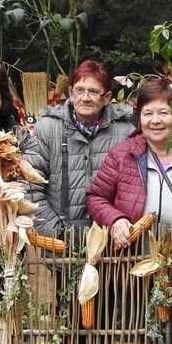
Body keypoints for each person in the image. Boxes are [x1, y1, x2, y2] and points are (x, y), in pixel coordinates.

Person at [87, 77, 172, 249]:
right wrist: (115, 219)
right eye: (148, 113)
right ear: (139, 118)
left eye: (163, 113)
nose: (155, 120)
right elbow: (96, 197)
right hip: (132, 263)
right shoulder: (122, 155)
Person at [26, 59, 132, 233]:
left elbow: (132, 190)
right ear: (70, 93)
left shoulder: (125, 133)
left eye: (93, 91)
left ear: (107, 98)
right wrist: (56, 233)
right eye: (79, 90)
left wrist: (117, 225)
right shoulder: (46, 129)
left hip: (111, 241)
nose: (85, 98)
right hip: (57, 245)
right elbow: (30, 186)